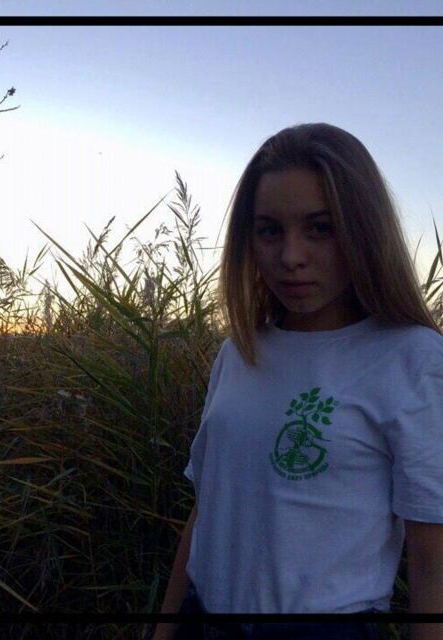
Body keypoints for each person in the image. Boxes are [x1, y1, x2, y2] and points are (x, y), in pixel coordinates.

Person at [151, 122, 443, 640]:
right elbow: (207, 511)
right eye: (269, 231)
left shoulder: (411, 358)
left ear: (364, 230)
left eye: (320, 228)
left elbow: (432, 559)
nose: (291, 257)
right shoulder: (240, 351)